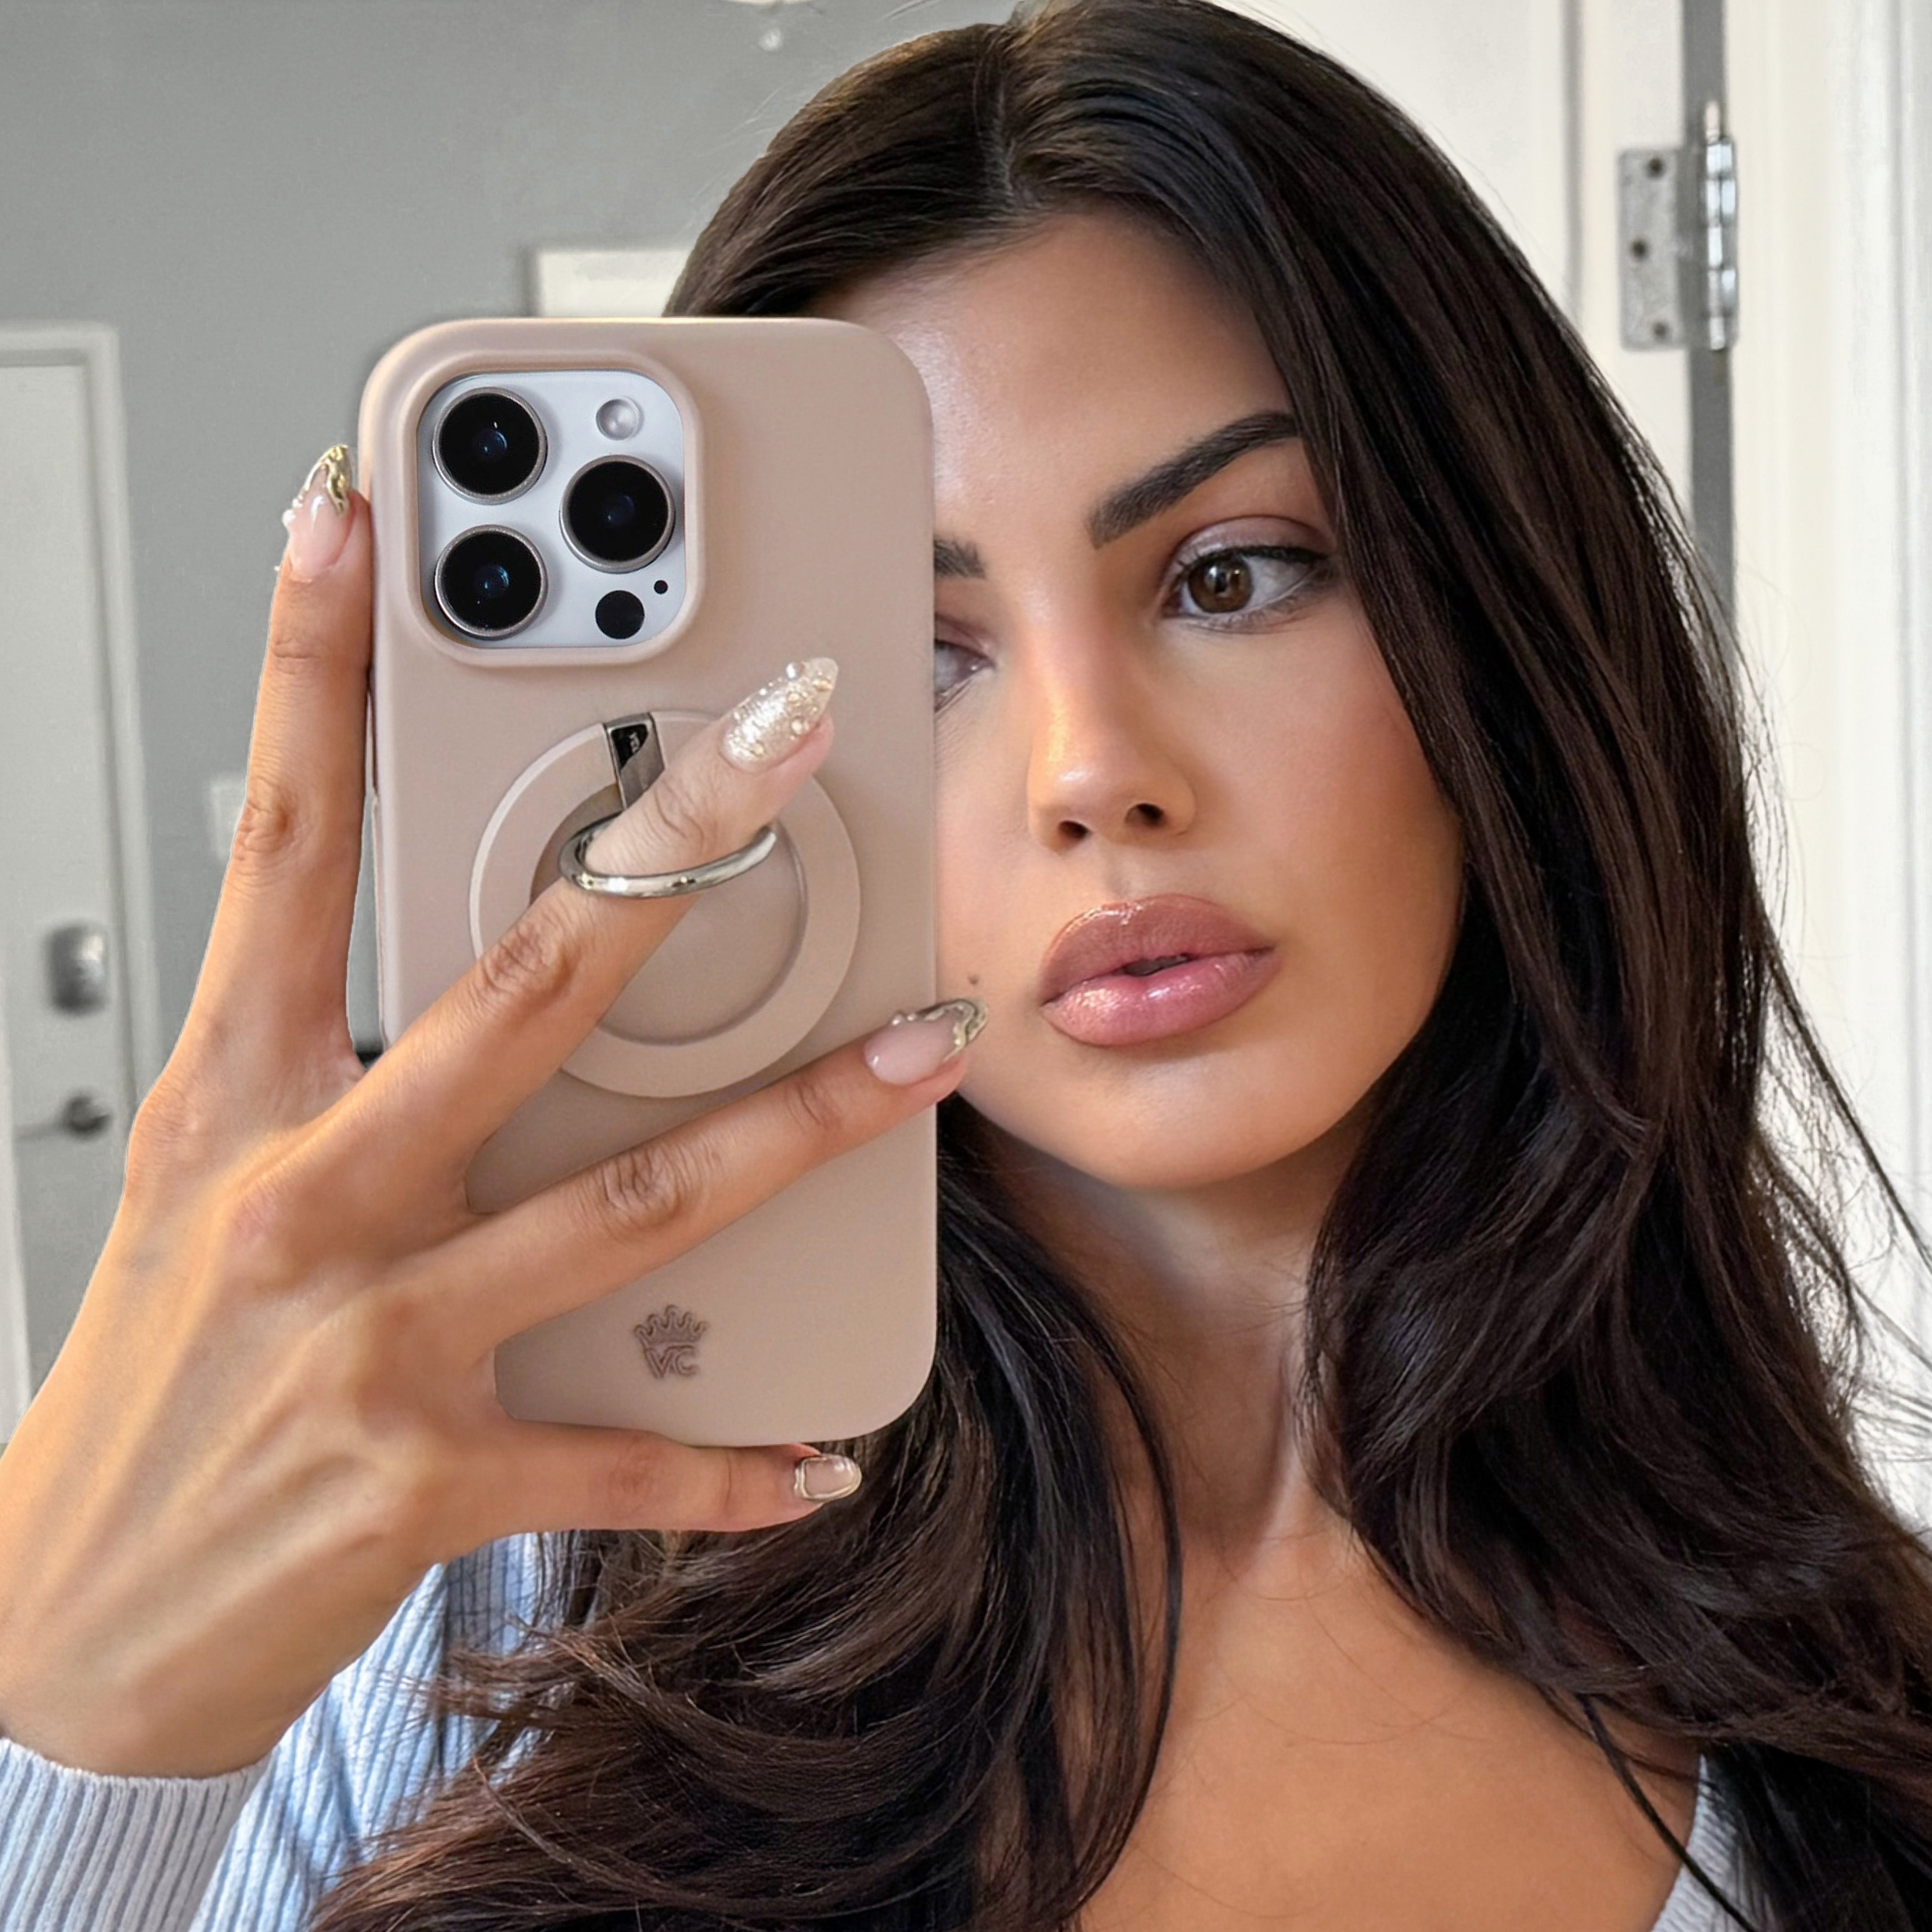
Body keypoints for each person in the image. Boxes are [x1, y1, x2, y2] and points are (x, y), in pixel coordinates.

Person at [3, 0, 1931, 1926]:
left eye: (1233, 574)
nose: (1091, 772)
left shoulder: (1852, 1727)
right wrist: (66, 1716)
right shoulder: (480, 1621)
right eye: (917, 655)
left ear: (1498, 620)